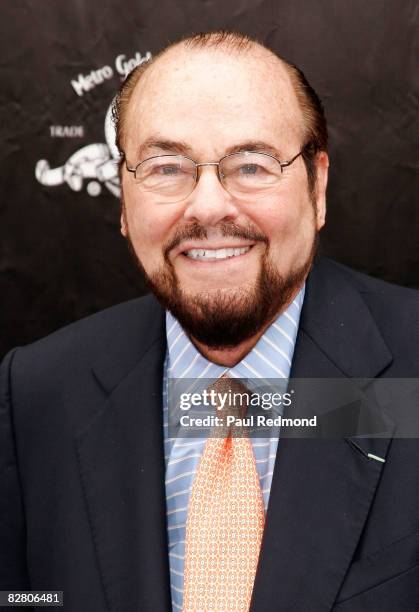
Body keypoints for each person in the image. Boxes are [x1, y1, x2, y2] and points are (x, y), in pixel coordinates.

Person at [1, 30, 419, 612]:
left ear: (317, 186)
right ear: (123, 196)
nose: (208, 207)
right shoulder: (38, 391)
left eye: (251, 165)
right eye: (166, 167)